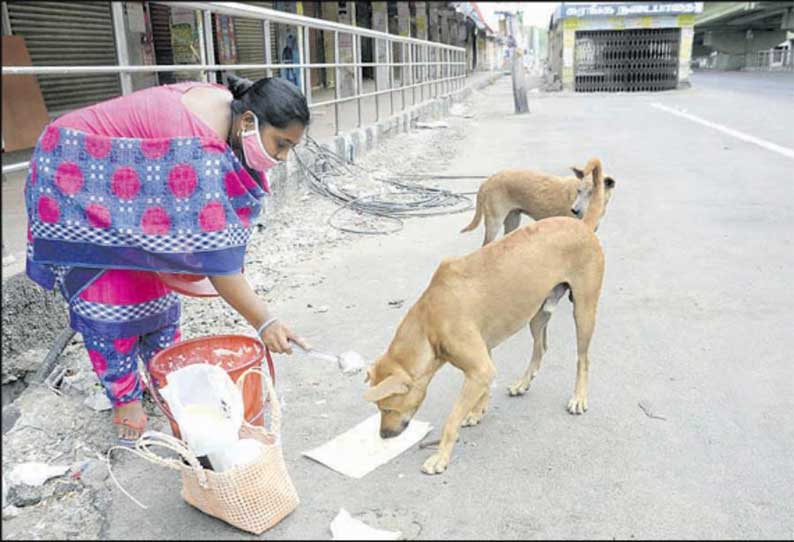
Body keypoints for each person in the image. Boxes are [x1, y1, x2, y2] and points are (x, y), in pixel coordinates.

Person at [24, 74, 311, 445]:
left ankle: (164, 377)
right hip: (74, 170)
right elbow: (217, 262)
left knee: (154, 285)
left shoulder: (232, 111)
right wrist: (265, 321)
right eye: (281, 144)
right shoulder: (201, 152)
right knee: (109, 298)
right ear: (247, 123)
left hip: (129, 181)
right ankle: (124, 399)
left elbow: (208, 241)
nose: (282, 156)